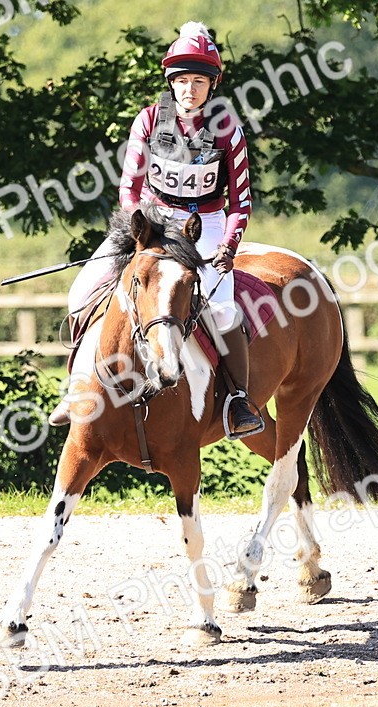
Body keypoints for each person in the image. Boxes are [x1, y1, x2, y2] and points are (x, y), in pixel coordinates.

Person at [49, 20, 263, 437]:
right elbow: (129, 189)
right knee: (82, 290)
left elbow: (241, 202)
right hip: (151, 221)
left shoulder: (228, 132)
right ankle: (76, 388)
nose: (190, 89)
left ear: (211, 85)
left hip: (206, 224)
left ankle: (238, 400)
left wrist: (229, 246)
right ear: (172, 83)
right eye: (182, 81)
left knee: (221, 309)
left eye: (199, 81)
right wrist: (141, 228)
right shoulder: (148, 121)